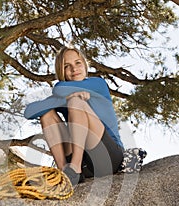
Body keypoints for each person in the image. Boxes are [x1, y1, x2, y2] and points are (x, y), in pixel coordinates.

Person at [24, 46, 124, 185]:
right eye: (67, 66)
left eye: (78, 63)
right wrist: (66, 99)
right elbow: (29, 112)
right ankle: (64, 171)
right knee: (47, 114)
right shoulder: (63, 94)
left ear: (84, 65)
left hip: (108, 157)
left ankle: (74, 168)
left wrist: (70, 99)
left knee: (75, 103)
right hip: (87, 165)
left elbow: (59, 88)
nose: (74, 69)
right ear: (61, 71)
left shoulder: (98, 84)